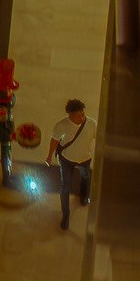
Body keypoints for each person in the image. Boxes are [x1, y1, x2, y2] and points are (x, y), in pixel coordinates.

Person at [47, 98, 94, 229]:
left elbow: (100, 137)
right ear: (70, 115)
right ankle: (66, 215)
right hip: (66, 160)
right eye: (79, 115)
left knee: (86, 177)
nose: (82, 117)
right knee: (65, 187)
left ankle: (84, 197)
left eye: (83, 113)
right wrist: (49, 156)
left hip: (84, 159)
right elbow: (54, 141)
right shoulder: (61, 125)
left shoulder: (91, 124)